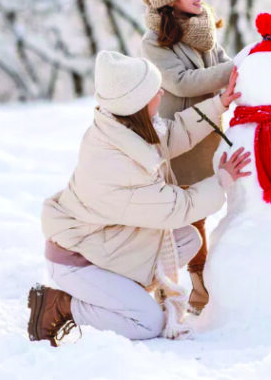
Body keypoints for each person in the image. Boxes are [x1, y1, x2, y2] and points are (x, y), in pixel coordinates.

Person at [27, 50, 250, 346]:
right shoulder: (114, 166)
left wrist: (219, 103)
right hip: (78, 261)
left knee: (187, 240)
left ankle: (125, 296)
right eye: (152, 91)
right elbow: (175, 208)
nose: (160, 92)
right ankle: (61, 304)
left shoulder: (126, 129)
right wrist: (221, 181)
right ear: (135, 103)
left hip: (108, 244)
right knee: (147, 322)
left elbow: (173, 135)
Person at [136, 0, 234, 314]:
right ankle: (194, 289)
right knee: (191, 216)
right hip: (182, 138)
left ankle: (208, 285)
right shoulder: (155, 42)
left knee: (208, 210)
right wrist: (233, 72)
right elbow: (183, 83)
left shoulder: (203, 29)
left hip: (211, 132)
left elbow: (220, 65)